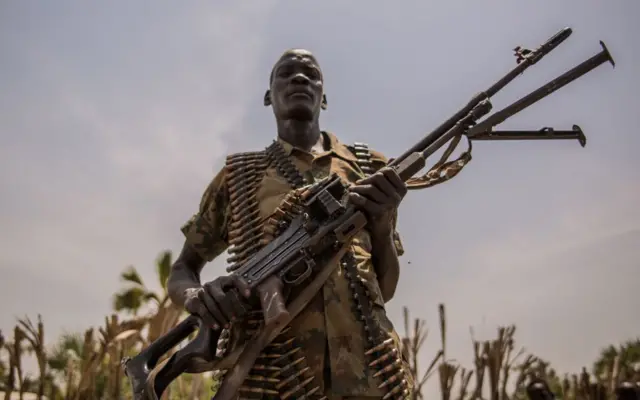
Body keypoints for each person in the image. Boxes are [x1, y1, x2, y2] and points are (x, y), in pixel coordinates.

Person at [167, 48, 413, 399]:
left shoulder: (369, 167)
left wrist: (383, 225)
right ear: (269, 96)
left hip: (372, 375)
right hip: (272, 379)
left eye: (311, 74)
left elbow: (384, 290)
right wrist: (198, 298)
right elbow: (183, 269)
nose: (299, 78)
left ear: (323, 97)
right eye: (286, 73)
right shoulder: (239, 177)